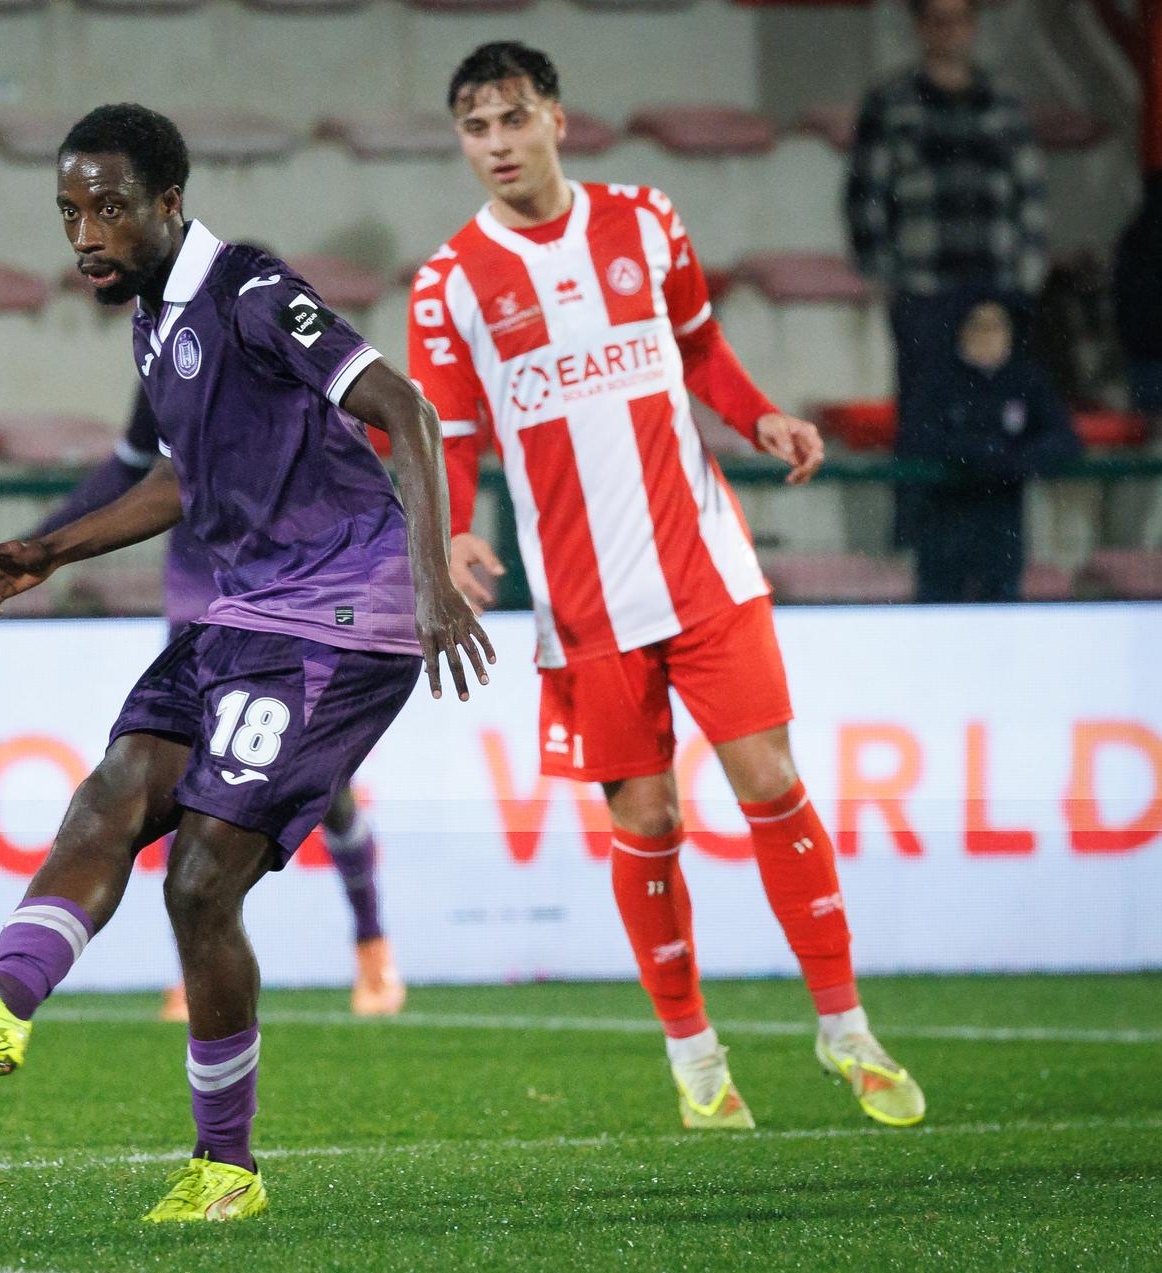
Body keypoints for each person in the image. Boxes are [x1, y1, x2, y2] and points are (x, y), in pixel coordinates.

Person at [0, 103, 492, 1222]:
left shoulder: (248, 289)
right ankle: (2, 1004)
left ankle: (226, 1168)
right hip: (244, 614)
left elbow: (407, 408)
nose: (84, 234)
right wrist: (50, 548)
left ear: (169, 202)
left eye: (106, 208)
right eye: (68, 213)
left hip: (341, 616)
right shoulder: (153, 323)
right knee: (109, 797)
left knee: (201, 882)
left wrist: (433, 578)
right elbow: (181, 482)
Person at [413, 42, 925, 1131]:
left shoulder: (645, 219)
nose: (496, 145)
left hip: (702, 566)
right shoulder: (449, 282)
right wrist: (455, 530)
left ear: (556, 115)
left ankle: (844, 1026)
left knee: (770, 780)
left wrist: (763, 417)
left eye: (512, 119)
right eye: (474, 128)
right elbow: (450, 432)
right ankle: (695, 1056)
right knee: (648, 816)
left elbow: (699, 347)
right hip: (583, 599)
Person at [34, 386, 408, 1021]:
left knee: (329, 787)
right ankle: (194, 966)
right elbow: (133, 469)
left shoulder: (282, 345)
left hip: (290, 603)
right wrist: (42, 545)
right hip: (197, 603)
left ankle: (371, 939)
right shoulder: (162, 354)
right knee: (167, 784)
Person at [845, 0, 1046, 545]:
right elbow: (866, 195)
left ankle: (1000, 541)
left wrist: (1024, 277)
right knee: (923, 417)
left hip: (997, 288)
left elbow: (1028, 192)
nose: (948, 30)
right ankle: (919, 540)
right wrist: (885, 275)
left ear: (973, 26)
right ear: (919, 26)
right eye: (936, 18)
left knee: (1001, 416)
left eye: (958, 18)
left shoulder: (1003, 100)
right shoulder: (892, 102)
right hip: (924, 289)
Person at [911, 297, 1080, 602]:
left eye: (997, 326)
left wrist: (1016, 458)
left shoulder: (1027, 380)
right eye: (979, 325)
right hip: (944, 525)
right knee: (939, 616)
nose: (988, 335)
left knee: (1001, 615)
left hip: (1003, 528)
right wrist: (971, 453)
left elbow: (1065, 440)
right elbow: (917, 438)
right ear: (962, 331)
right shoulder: (938, 380)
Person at [1113, 173, 1162, 436]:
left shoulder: (1135, 236)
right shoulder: (1137, 238)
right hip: (1146, 352)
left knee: (1147, 436)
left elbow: (1122, 299)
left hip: (1144, 353)